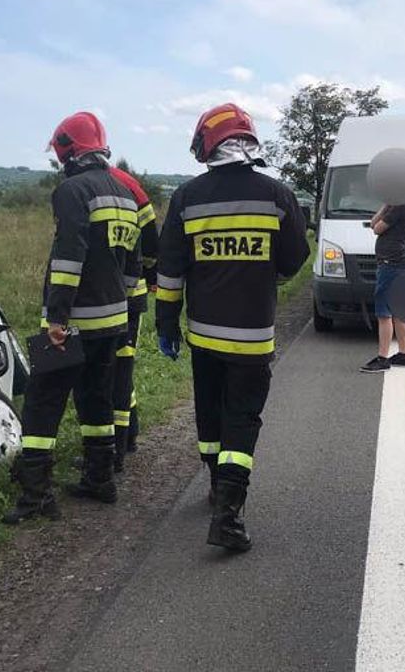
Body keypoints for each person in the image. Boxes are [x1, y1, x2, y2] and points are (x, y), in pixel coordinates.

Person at [155, 102, 310, 551]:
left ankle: (213, 485)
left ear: (208, 143)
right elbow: (294, 258)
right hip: (253, 336)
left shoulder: (186, 198)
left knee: (209, 411)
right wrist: (267, 278)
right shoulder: (277, 195)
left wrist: (165, 322)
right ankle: (228, 512)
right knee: (242, 419)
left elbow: (170, 270)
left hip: (203, 334)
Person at [3, 111, 141, 524]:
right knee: (96, 398)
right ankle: (101, 479)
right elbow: (132, 266)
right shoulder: (124, 193)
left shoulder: (72, 191)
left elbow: (68, 258)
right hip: (114, 320)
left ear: (67, 150)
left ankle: (36, 496)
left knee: (42, 403)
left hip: (76, 321)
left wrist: (57, 319)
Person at [108, 164, 159, 469]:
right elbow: (152, 242)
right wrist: (148, 272)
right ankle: (129, 435)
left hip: (112, 298)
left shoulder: (82, 186)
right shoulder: (130, 185)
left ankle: (115, 447)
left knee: (117, 370)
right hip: (132, 293)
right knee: (122, 366)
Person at [360, 202, 405, 373]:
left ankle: (383, 358)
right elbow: (372, 223)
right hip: (397, 264)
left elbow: (377, 228)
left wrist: (386, 206)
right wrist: (385, 206)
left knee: (384, 313)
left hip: (391, 265)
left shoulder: (401, 206)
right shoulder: (398, 205)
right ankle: (403, 354)